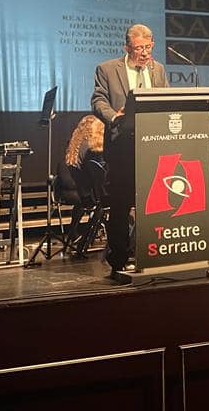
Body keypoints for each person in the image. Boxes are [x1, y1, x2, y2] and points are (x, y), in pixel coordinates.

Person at [91, 23, 170, 273]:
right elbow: (98, 99)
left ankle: (151, 252)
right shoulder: (107, 69)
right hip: (122, 147)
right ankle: (119, 260)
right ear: (127, 47)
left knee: (155, 203)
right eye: (139, 49)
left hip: (153, 145)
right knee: (122, 204)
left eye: (148, 47)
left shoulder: (158, 69)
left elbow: (166, 98)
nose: (145, 53)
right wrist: (114, 116)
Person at [61, 114, 107, 250]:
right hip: (92, 196)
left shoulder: (74, 145)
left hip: (82, 194)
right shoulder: (92, 148)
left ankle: (74, 234)